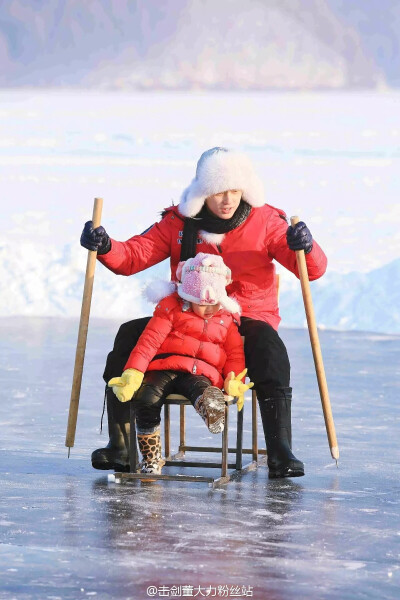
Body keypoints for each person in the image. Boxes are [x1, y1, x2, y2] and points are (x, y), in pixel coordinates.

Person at [81, 146, 327, 478]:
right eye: (217, 191)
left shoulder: (267, 220)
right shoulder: (179, 222)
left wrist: (306, 247)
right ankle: (120, 446)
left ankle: (280, 451)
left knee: (269, 349)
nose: (227, 199)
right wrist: (106, 246)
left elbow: (310, 270)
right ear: (202, 191)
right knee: (128, 335)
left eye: (235, 190)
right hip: (187, 316)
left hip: (246, 318)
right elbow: (132, 257)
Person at [107, 252, 253, 474]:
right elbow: (149, 342)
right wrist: (134, 372)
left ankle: (210, 408)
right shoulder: (171, 309)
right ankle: (151, 457)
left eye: (214, 304)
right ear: (188, 296)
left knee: (201, 390)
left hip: (201, 372)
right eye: (202, 304)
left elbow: (234, 354)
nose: (209, 310)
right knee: (146, 399)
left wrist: (232, 379)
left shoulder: (226, 321)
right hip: (164, 367)